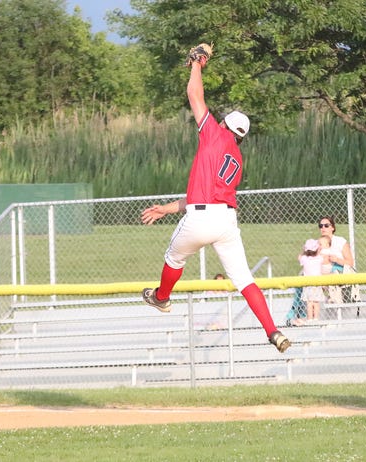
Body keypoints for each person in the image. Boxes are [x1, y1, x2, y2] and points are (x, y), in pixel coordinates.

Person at [140, 48, 290, 353]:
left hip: (200, 219)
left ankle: (162, 297)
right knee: (244, 279)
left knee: (174, 258)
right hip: (225, 221)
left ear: (224, 125)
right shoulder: (236, 156)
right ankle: (272, 330)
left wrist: (196, 64)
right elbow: (202, 195)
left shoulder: (213, 135)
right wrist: (166, 209)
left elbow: (194, 94)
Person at [299, 238, 325, 321]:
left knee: (309, 302)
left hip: (308, 283)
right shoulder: (319, 258)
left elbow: (300, 257)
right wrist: (319, 250)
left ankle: (310, 318)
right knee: (316, 302)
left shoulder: (304, 258)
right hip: (317, 283)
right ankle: (316, 318)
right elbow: (321, 256)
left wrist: (304, 250)